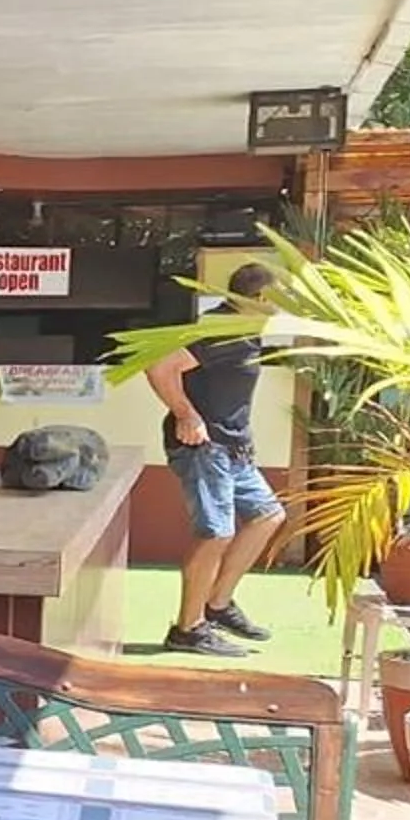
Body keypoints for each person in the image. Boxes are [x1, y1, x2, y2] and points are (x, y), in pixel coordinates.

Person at [143, 261, 284, 656]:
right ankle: (187, 629)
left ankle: (217, 604)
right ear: (257, 298)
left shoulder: (245, 329)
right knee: (215, 534)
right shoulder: (218, 330)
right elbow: (160, 368)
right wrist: (187, 415)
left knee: (268, 516)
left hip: (235, 448)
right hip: (206, 450)